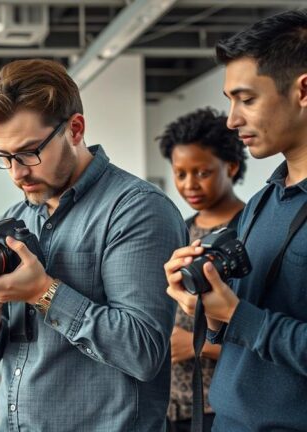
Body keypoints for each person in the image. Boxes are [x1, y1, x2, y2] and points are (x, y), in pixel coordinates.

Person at [0, 58, 186, 431]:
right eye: (3, 157)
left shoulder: (137, 210)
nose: (17, 173)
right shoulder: (17, 216)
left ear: (74, 129)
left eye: (29, 153)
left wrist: (44, 292)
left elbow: (143, 351)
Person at [165, 9, 307, 431]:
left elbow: (248, 322)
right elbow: (244, 334)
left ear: (303, 91)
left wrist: (236, 315)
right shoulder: (265, 201)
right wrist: (201, 304)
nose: (232, 119)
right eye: (230, 101)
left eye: (247, 99)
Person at [157, 107, 247, 431]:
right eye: (180, 173)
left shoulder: (249, 231)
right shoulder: (178, 230)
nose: (189, 184)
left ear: (232, 167)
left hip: (222, 407)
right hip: (171, 405)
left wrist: (199, 346)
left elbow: (268, 329)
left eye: (202, 172)